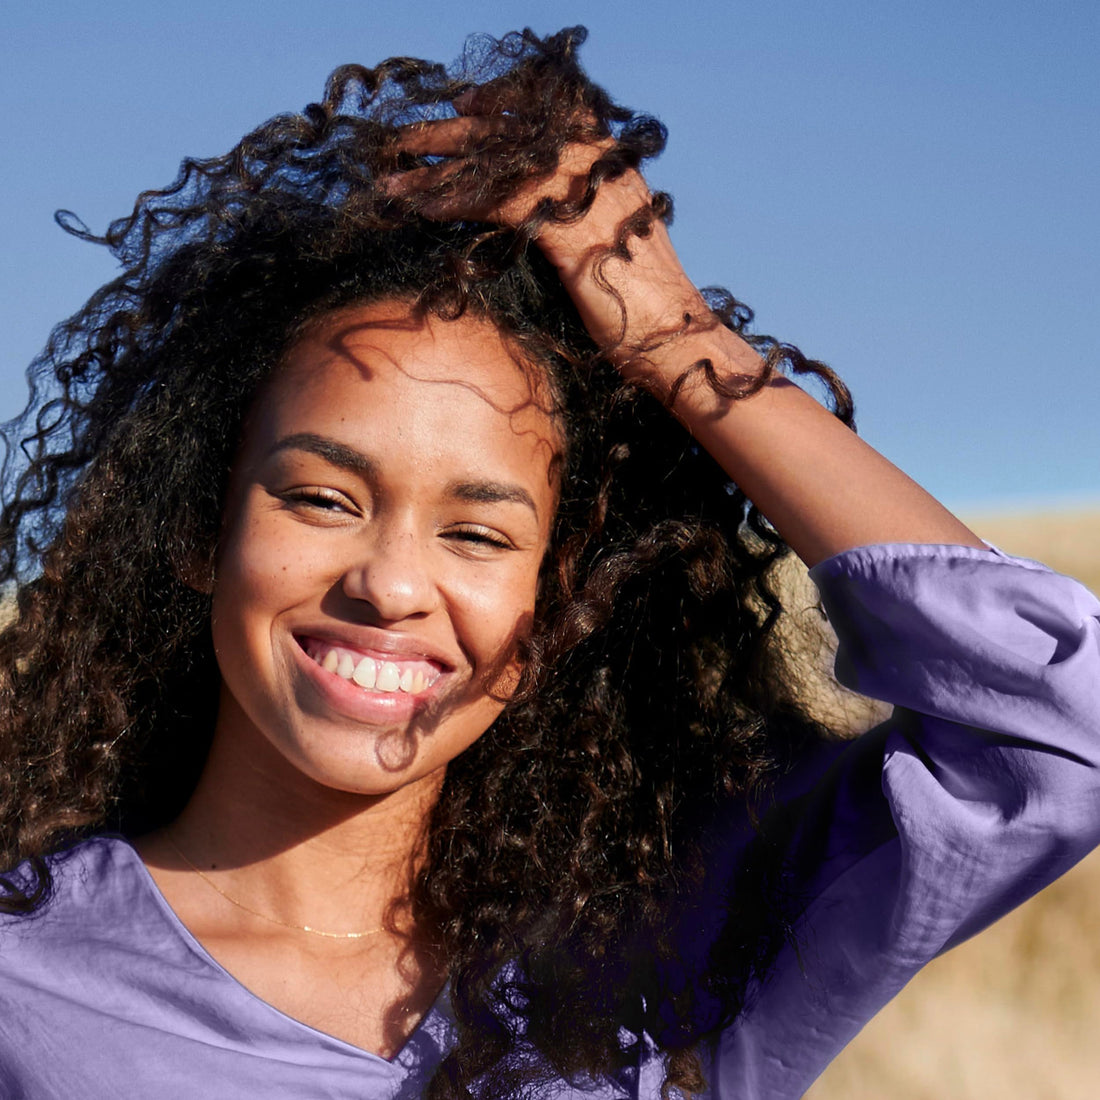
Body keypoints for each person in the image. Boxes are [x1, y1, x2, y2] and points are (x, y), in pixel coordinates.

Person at [0, 25, 1097, 1100]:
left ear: (561, 598)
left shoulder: (661, 965)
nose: (387, 582)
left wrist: (671, 336)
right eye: (322, 498)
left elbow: (1052, 729)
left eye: (477, 531)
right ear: (203, 530)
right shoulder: (26, 977)